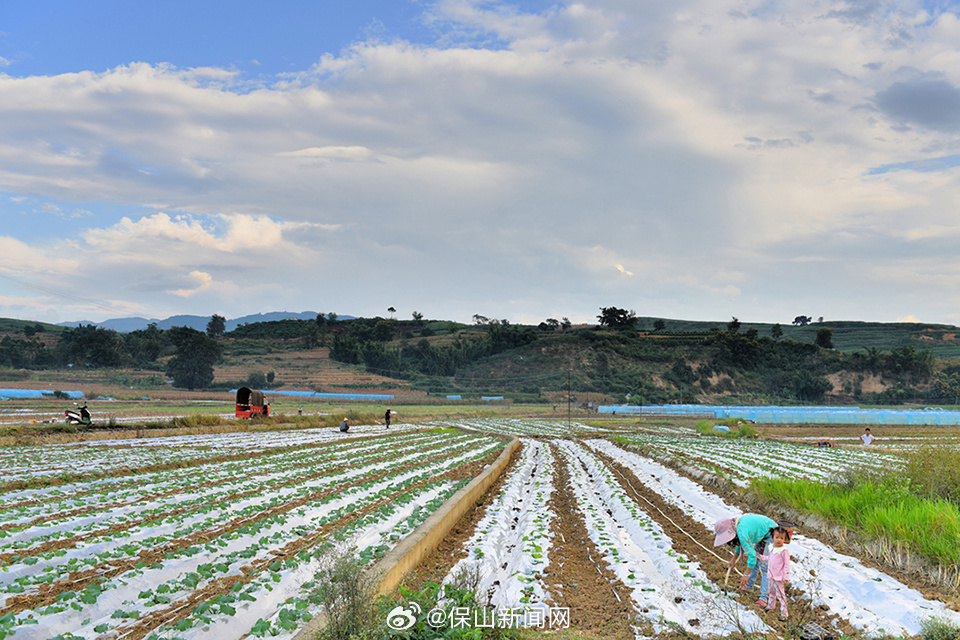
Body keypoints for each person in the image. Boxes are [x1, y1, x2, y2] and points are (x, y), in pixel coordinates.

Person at [714, 513, 777, 607]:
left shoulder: (742, 531)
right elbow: (741, 545)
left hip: (771, 533)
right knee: (756, 560)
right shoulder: (736, 527)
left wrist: (746, 575)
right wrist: (733, 559)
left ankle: (764, 598)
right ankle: (749, 587)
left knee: (765, 567)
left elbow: (751, 556)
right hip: (760, 534)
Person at [758, 525, 792, 621]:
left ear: (785, 539)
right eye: (777, 537)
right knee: (771, 592)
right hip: (771, 575)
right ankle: (770, 606)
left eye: (782, 538)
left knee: (781, 595)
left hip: (779, 577)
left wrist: (786, 576)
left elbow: (786, 564)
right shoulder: (771, 548)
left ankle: (784, 614)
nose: (779, 540)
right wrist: (760, 556)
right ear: (772, 537)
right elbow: (769, 558)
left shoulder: (784, 551)